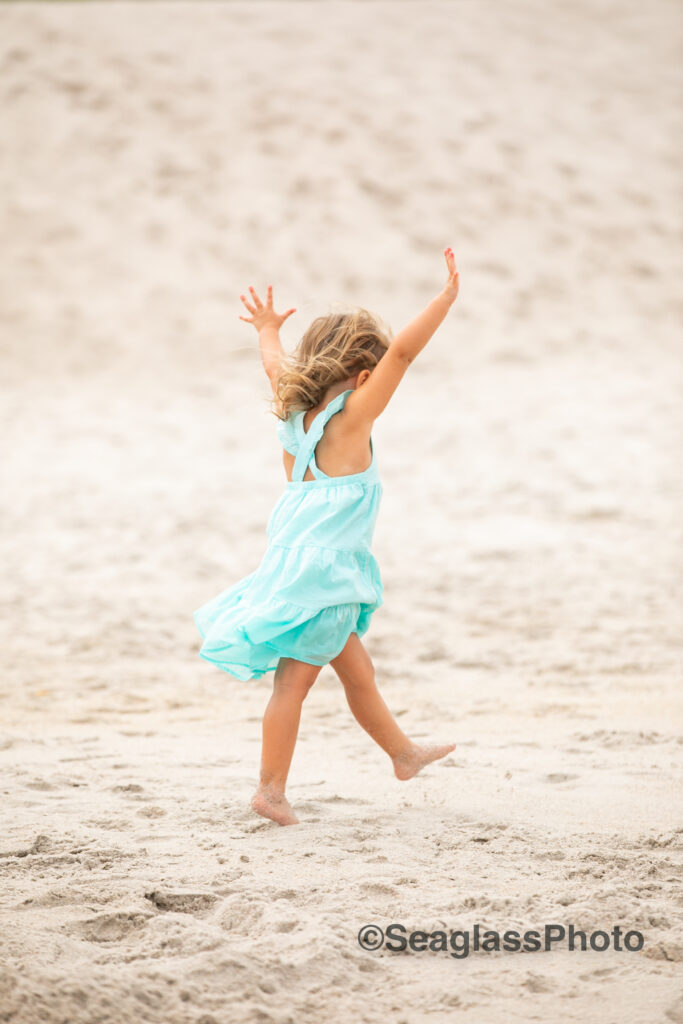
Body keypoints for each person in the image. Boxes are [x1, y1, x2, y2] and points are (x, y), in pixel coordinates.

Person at [194, 247, 460, 825]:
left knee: (357, 673)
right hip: (326, 576)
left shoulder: (295, 415)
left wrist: (268, 329)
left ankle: (402, 753)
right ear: (365, 376)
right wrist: (444, 299)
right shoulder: (352, 421)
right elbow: (408, 353)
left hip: (298, 570)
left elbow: (273, 364)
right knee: (292, 686)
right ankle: (271, 791)